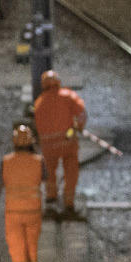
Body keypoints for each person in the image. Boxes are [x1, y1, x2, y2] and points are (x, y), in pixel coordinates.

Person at [0, 124, 46, 262]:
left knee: (18, 253)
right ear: (31, 143)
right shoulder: (38, 162)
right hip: (33, 213)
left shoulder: (7, 162)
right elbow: (47, 179)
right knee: (31, 253)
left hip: (13, 214)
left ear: (14, 142)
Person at [34, 69, 89, 218]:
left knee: (50, 174)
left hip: (48, 146)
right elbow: (82, 114)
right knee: (71, 172)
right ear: (58, 82)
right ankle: (69, 204)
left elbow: (38, 126)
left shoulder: (39, 103)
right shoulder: (68, 96)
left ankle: (51, 201)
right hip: (68, 142)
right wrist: (78, 128)